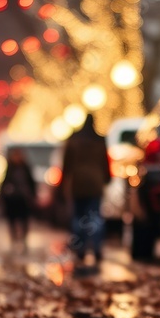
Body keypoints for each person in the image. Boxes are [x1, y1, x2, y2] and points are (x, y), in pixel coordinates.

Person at [60, 114, 110, 271]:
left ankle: (80, 247)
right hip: (95, 182)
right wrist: (106, 178)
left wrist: (63, 183)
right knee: (94, 216)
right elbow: (105, 161)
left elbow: (66, 164)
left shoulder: (74, 140)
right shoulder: (99, 140)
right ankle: (96, 247)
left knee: (78, 216)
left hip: (78, 183)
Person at [0, 147, 36, 254]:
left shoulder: (26, 168)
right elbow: (4, 182)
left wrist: (32, 196)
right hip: (12, 199)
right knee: (12, 220)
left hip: (23, 199)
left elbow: (31, 183)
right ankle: (14, 239)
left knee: (24, 220)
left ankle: (24, 240)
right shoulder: (10, 168)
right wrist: (1, 196)